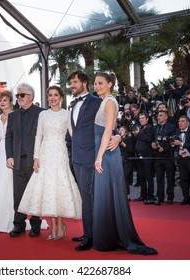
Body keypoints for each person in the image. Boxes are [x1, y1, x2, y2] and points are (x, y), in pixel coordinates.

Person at [92, 72, 157, 255]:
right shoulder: (105, 101)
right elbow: (116, 128)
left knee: (106, 193)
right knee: (105, 195)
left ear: (110, 84)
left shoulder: (110, 102)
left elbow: (107, 132)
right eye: (95, 83)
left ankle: (110, 237)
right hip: (105, 150)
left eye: (101, 83)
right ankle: (108, 236)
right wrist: (119, 135)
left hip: (105, 153)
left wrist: (98, 157)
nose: (97, 86)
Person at [18, 86, 82, 240]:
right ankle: (53, 226)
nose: (53, 98)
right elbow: (38, 136)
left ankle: (61, 225)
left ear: (61, 97)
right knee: (49, 189)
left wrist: (83, 151)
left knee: (59, 188)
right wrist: (36, 157)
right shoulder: (43, 115)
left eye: (56, 95)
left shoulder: (67, 114)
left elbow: (74, 136)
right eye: (50, 95)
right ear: (48, 98)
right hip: (45, 155)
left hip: (60, 155)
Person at [67, 70, 120, 251]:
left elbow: (111, 124)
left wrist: (119, 135)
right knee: (84, 196)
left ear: (84, 82)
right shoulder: (72, 104)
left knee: (88, 196)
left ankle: (90, 236)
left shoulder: (99, 100)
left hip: (91, 156)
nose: (72, 85)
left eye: (75, 82)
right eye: (71, 83)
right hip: (76, 157)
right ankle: (88, 231)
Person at [5, 82, 45, 237]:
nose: (19, 98)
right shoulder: (12, 115)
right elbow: (9, 137)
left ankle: (36, 225)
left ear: (31, 97)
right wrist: (9, 156)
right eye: (17, 95)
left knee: (35, 193)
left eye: (22, 95)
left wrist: (41, 157)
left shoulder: (42, 113)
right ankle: (19, 225)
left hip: (35, 161)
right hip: (18, 161)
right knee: (19, 195)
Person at [0, 90, 15, 233]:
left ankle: (10, 218)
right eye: (0, 100)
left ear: (10, 101)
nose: (2, 102)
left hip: (11, 152)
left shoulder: (16, 115)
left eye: (5, 100)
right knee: (0, 182)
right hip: (0, 152)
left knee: (8, 183)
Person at [171, 116, 190, 205]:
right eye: (179, 121)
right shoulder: (177, 132)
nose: (180, 123)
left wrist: (181, 143)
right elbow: (174, 144)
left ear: (188, 123)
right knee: (183, 179)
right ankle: (186, 197)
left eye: (183, 121)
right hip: (181, 158)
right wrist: (173, 144)